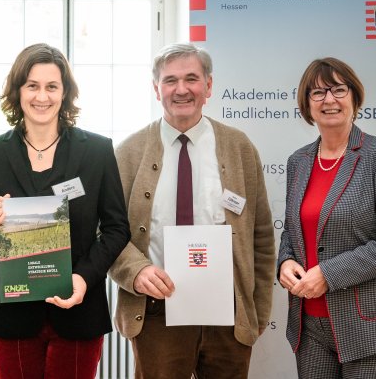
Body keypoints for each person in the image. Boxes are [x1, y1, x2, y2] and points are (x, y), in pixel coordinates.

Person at [108, 43, 275, 378]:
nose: (181, 89)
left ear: (208, 86)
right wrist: (135, 271)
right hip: (157, 313)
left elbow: (261, 236)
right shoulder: (128, 153)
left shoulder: (240, 148)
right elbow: (106, 232)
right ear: (156, 89)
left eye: (191, 79)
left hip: (227, 314)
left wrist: (256, 310)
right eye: (170, 81)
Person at [0, 43, 130, 378]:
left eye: (51, 86)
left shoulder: (97, 151)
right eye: (32, 85)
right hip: (12, 314)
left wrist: (84, 279)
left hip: (78, 309)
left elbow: (117, 228)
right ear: (18, 91)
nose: (41, 96)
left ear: (65, 92)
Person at [277, 57, 376, 378]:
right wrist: (285, 261)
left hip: (371, 327)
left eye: (338, 89)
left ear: (354, 97)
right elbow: (293, 231)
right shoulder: (298, 162)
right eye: (317, 93)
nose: (329, 99)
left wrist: (329, 274)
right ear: (306, 104)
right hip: (309, 328)